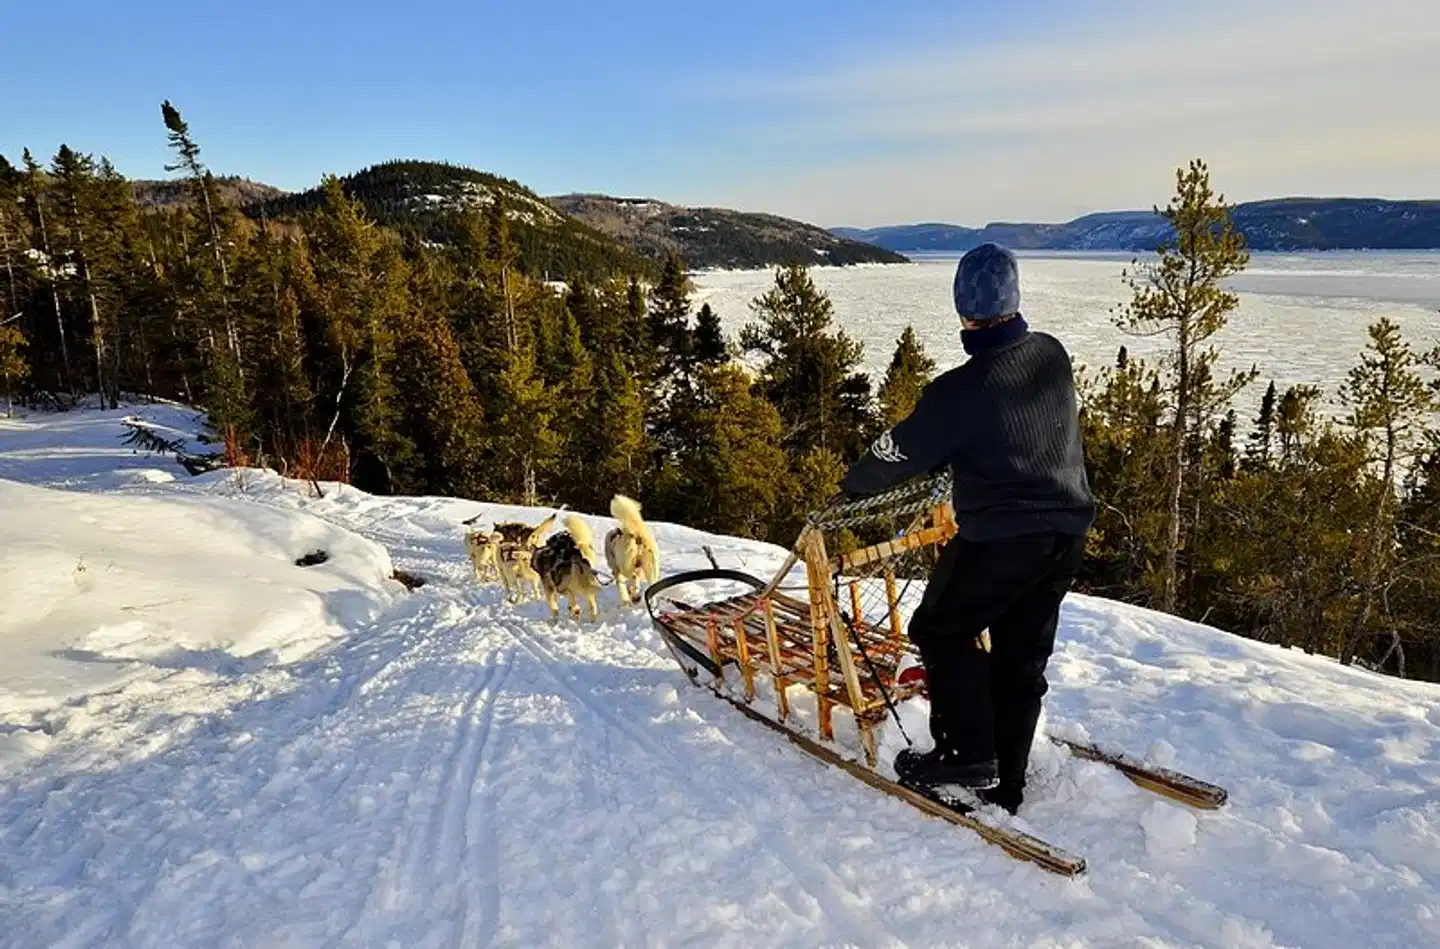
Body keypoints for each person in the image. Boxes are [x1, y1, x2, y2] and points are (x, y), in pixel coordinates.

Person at [840, 242, 1095, 814]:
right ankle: (1008, 782)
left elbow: (899, 451)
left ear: (963, 309)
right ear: (1015, 298)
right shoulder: (1051, 355)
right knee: (1020, 657)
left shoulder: (957, 392)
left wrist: (854, 482)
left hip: (1003, 541)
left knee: (940, 630)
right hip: (1066, 535)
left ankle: (966, 755)